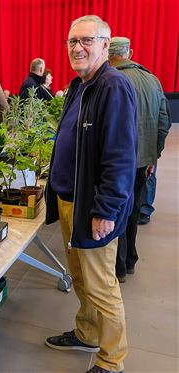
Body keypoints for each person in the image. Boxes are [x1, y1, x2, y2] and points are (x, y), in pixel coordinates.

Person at [44, 15, 137, 373]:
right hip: (70, 200)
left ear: (104, 44)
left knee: (101, 287)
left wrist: (106, 210)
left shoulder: (113, 86)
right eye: (72, 42)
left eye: (86, 40)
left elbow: (120, 156)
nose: (78, 47)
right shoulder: (79, 86)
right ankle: (87, 333)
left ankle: (111, 361)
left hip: (93, 207)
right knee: (81, 279)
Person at [108, 37, 171, 282]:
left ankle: (119, 266)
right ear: (130, 53)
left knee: (115, 211)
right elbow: (163, 123)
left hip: (116, 162)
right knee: (133, 210)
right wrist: (153, 155)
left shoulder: (110, 81)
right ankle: (130, 259)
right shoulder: (152, 80)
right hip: (143, 160)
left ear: (106, 53)